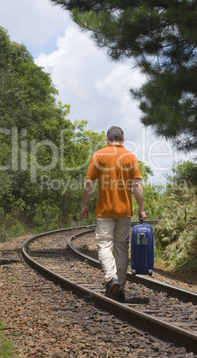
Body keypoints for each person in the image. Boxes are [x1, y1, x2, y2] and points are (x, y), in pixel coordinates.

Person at [81, 126, 147, 302]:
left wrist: (85, 204)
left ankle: (111, 279)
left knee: (104, 245)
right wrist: (141, 208)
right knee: (121, 248)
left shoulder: (98, 155)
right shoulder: (130, 157)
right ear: (123, 140)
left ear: (107, 139)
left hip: (104, 211)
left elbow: (89, 182)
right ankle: (120, 287)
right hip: (124, 211)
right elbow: (137, 185)